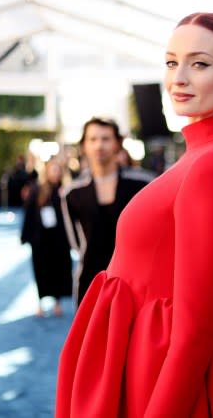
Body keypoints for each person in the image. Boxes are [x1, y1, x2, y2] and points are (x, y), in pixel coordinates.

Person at [56, 12, 213, 418]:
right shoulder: (206, 156)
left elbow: (196, 330)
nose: (179, 78)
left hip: (153, 377)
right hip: (142, 363)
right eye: (172, 62)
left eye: (200, 63)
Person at [60, 116, 151, 305]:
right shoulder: (72, 193)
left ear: (117, 143)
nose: (99, 145)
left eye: (105, 138)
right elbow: (76, 243)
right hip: (91, 281)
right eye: (93, 139)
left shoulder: (142, 185)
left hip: (135, 281)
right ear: (84, 145)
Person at [20, 158, 73, 317]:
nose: (55, 173)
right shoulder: (37, 189)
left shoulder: (65, 190)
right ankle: (40, 302)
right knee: (41, 269)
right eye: (52, 169)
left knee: (59, 269)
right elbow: (29, 213)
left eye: (58, 170)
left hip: (59, 238)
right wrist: (25, 236)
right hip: (41, 238)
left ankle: (57, 301)